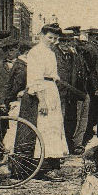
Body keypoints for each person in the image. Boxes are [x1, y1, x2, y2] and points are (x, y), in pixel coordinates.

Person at [26, 23, 69, 177]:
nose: (53, 41)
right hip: (43, 91)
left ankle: (53, 162)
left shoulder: (50, 53)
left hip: (52, 90)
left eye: (55, 39)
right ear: (41, 35)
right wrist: (42, 100)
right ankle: (42, 167)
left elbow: (53, 75)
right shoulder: (36, 52)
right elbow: (35, 78)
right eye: (50, 37)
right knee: (45, 126)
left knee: (55, 126)